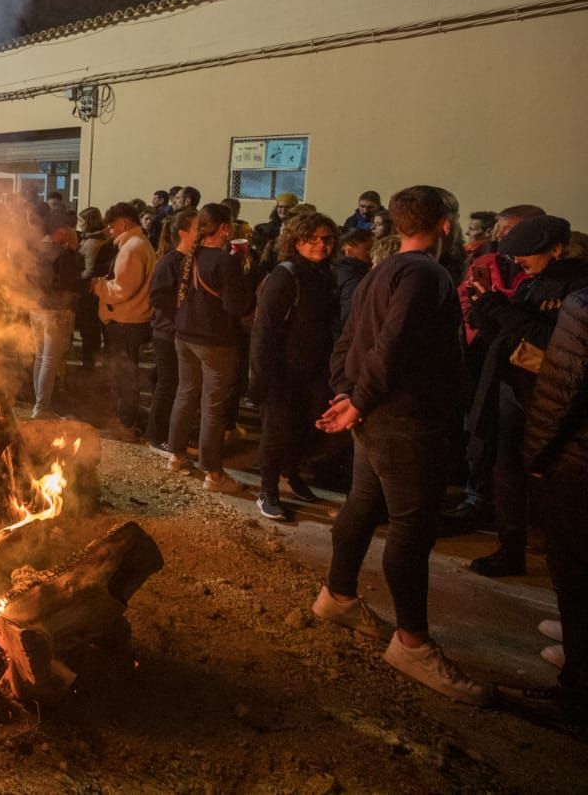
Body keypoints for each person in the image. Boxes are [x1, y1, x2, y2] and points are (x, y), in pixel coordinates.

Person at [311, 185, 488, 705]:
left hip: (378, 420)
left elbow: (347, 341)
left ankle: (338, 597)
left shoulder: (379, 271)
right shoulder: (426, 274)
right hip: (406, 423)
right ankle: (411, 643)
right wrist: (357, 400)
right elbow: (393, 342)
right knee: (412, 529)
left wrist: (346, 394)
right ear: (446, 226)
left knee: (363, 505)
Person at [465, 216, 588, 576]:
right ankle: (511, 548)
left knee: (551, 480)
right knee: (506, 470)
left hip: (550, 397)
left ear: (556, 249)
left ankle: (562, 564)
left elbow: (556, 343)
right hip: (512, 390)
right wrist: (484, 308)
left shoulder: (578, 288)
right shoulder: (533, 283)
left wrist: (501, 310)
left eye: (525, 254)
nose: (518, 261)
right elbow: (506, 335)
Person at [499, 287, 588, 719]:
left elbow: (560, 389)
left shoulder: (582, 306)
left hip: (577, 461)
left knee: (574, 576)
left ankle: (575, 693)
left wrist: (535, 453)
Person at [249, 211, 340, 519]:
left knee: (303, 429)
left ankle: (292, 475)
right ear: (295, 241)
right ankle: (267, 491)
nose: (320, 245)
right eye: (311, 239)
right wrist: (262, 378)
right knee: (276, 432)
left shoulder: (326, 274)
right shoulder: (285, 276)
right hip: (281, 372)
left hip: (313, 370)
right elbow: (264, 331)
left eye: (326, 239)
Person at [158, 203, 252, 492]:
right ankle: (213, 472)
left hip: (185, 336)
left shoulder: (191, 254)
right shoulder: (224, 261)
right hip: (214, 341)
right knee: (213, 405)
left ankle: (176, 455)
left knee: (185, 394)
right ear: (224, 228)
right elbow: (236, 306)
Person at [91, 202, 155, 437]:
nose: (110, 231)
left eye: (111, 226)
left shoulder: (132, 248)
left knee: (124, 375)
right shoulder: (139, 244)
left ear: (123, 223)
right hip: (132, 319)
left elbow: (121, 289)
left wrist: (98, 286)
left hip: (126, 321)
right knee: (125, 373)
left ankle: (125, 424)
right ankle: (125, 420)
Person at [145, 209, 198, 451]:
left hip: (184, 333)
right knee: (168, 384)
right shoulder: (169, 261)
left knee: (181, 386)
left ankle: (175, 433)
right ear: (183, 232)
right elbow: (157, 297)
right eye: (199, 228)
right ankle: (157, 435)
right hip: (167, 334)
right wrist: (182, 313)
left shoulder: (192, 260)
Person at [30, 223, 84, 418]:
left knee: (40, 357)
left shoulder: (35, 250)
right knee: (50, 360)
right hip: (57, 311)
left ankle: (39, 403)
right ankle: (42, 407)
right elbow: (68, 283)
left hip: (36, 308)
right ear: (61, 231)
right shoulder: (62, 255)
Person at [73, 208, 112, 370]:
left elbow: (88, 270)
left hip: (88, 292)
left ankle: (88, 363)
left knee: (88, 329)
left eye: (81, 221)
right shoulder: (97, 239)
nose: (79, 224)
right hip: (93, 291)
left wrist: (74, 278)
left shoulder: (91, 243)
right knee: (92, 329)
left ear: (89, 222)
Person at [333, 228, 373, 333]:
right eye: (368, 249)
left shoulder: (339, 268)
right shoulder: (352, 277)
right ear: (348, 250)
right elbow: (349, 313)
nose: (373, 252)